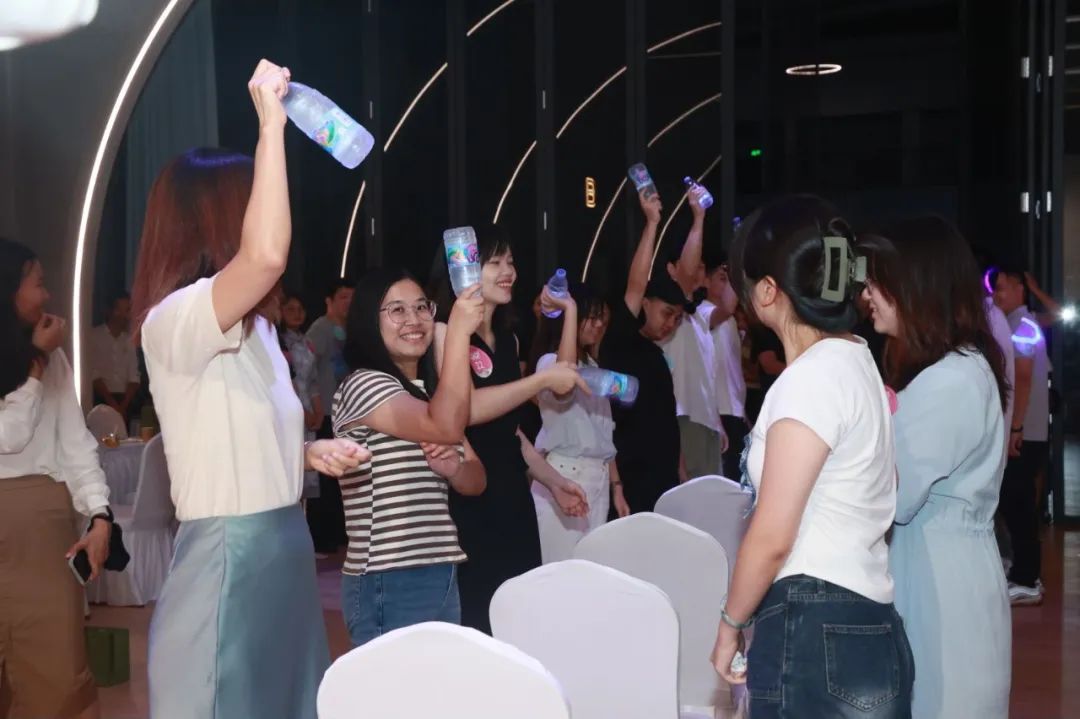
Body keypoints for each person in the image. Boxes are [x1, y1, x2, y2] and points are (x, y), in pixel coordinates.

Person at [130, 61, 367, 719]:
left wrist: (307, 453)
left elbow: (233, 433)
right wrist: (270, 127)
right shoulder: (173, 320)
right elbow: (264, 256)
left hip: (283, 552)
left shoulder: (257, 331)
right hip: (229, 560)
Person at [710, 196, 913, 718]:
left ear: (767, 291)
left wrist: (731, 624)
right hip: (872, 620)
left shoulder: (810, 379)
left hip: (813, 626)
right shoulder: (857, 361)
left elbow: (773, 536)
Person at [860, 217, 1011, 718]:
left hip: (938, 582)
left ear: (917, 283)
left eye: (879, 280)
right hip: (940, 566)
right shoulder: (954, 369)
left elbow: (892, 493)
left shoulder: (951, 380)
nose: (867, 292)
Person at [431, 223, 588, 633]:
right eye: (495, 262)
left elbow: (511, 432)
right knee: (479, 619)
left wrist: (554, 481)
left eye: (511, 262)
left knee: (519, 616)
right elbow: (465, 411)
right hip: (471, 497)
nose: (508, 272)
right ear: (463, 268)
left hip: (514, 497)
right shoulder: (446, 333)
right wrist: (539, 381)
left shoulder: (509, 339)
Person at [333, 268, 486, 645]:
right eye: (397, 310)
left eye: (421, 307)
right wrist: (458, 335)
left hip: (441, 567)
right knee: (394, 684)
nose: (414, 319)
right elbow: (444, 426)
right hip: (388, 574)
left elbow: (476, 479)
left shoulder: (428, 396)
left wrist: (454, 469)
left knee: (437, 681)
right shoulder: (364, 384)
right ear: (369, 321)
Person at [0, 238, 113, 719]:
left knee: (55, 675)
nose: (46, 296)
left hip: (43, 525)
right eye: (38, 283)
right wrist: (34, 367)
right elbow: (8, 435)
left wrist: (100, 515)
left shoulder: (55, 359)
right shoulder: (41, 360)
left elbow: (76, 444)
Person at [599, 190, 687, 513]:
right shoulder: (620, 339)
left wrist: (681, 470)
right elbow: (636, 283)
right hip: (632, 481)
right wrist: (652, 223)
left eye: (677, 319)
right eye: (667, 313)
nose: (670, 324)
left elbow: (667, 420)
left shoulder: (656, 356)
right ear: (645, 304)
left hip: (664, 481)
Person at [528, 281, 628, 562]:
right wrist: (570, 308)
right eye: (591, 317)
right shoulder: (550, 364)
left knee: (588, 570)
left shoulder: (593, 368)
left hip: (597, 477)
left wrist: (617, 487)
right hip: (565, 474)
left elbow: (604, 433)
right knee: (559, 570)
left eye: (602, 319)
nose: (598, 325)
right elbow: (564, 382)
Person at [660, 190, 730, 479]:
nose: (698, 270)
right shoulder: (673, 310)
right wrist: (699, 217)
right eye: (694, 263)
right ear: (671, 269)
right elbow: (687, 274)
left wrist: (717, 422)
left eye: (703, 265)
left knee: (712, 502)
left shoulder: (699, 314)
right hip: (683, 419)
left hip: (706, 421)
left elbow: (705, 378)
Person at [992, 266, 1049, 605]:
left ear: (1019, 290)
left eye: (1001, 288)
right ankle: (1024, 572)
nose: (995, 295)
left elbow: (1023, 377)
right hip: (1025, 430)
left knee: (1019, 505)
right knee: (1016, 504)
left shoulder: (1022, 326)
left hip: (1025, 433)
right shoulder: (1018, 324)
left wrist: (1015, 427)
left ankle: (1027, 579)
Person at [306, 278, 355, 555]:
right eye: (343, 297)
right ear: (329, 301)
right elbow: (307, 369)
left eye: (352, 298)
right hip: (325, 409)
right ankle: (322, 538)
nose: (349, 303)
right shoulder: (319, 329)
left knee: (343, 476)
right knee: (325, 476)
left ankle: (339, 534)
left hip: (347, 411)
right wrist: (312, 405)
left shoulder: (351, 329)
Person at [702, 258, 745, 480]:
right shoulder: (703, 311)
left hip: (735, 411)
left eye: (730, 279)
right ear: (706, 281)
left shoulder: (730, 320)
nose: (728, 284)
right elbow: (727, 307)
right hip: (719, 411)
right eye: (722, 278)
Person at [278, 291, 323, 500]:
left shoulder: (307, 342)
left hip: (309, 406)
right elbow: (286, 380)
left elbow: (313, 380)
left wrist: (318, 410)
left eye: (300, 310)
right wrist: (304, 412)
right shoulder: (278, 341)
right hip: (289, 406)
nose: (296, 314)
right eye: (290, 310)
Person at [87, 291, 141, 423]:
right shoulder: (94, 336)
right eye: (125, 310)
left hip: (125, 400)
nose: (128, 316)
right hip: (100, 398)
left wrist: (123, 406)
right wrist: (112, 403)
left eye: (129, 310)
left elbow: (134, 376)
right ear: (112, 311)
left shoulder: (129, 340)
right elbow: (93, 373)